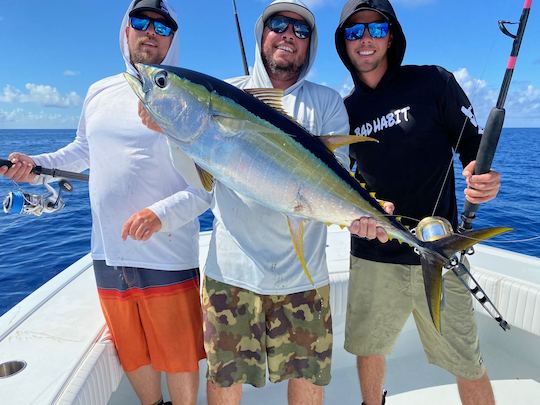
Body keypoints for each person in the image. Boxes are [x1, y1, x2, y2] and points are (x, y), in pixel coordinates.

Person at [0, 1, 210, 404]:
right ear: (125, 29)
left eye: (163, 26)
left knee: (181, 356)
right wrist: (35, 163)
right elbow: (81, 150)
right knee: (131, 352)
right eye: (141, 21)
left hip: (167, 252)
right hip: (107, 251)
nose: (151, 31)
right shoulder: (99, 91)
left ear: (174, 38)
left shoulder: (186, 94)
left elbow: (206, 185)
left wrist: (160, 215)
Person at [200, 1, 388, 404]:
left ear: (311, 44)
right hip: (232, 275)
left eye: (301, 30)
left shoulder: (326, 102)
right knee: (223, 379)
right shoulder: (225, 94)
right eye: (278, 24)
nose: (288, 34)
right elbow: (196, 181)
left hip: (304, 277)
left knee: (308, 379)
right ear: (261, 34)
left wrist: (362, 216)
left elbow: (331, 180)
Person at [334, 1, 501, 404]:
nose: (366, 39)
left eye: (376, 28)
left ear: (391, 35)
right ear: (344, 44)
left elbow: (474, 151)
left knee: (467, 361)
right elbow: (342, 179)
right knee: (369, 349)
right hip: (373, 254)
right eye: (355, 32)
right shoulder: (344, 111)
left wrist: (482, 177)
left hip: (440, 252)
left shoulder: (433, 83)